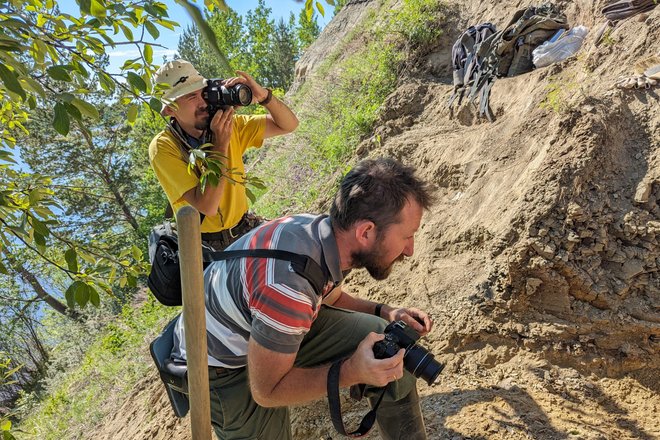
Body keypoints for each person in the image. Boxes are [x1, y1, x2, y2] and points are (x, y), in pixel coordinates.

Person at [172, 157, 436, 440]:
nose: (409, 250)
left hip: (266, 324)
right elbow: (268, 390)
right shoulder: (288, 288)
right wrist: (352, 371)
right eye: (407, 236)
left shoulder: (321, 236)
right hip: (220, 363)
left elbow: (327, 294)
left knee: (392, 350)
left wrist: (385, 312)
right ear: (366, 232)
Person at [149, 59, 299, 250]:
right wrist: (221, 145)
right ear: (170, 108)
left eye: (203, 92)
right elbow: (208, 206)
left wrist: (264, 96)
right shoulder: (163, 147)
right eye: (191, 97)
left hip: (244, 228)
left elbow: (289, 125)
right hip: (205, 246)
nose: (203, 102)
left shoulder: (230, 126)